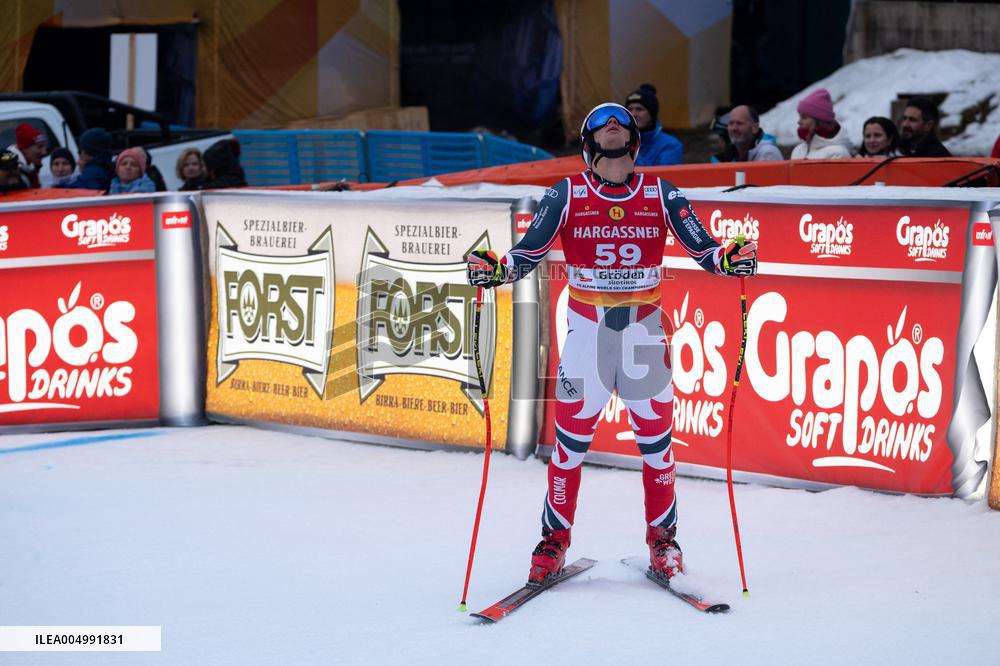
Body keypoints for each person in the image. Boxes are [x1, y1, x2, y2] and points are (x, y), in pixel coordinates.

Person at [465, 103, 757, 585]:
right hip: (586, 332)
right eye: (601, 123)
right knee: (569, 446)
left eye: (621, 120)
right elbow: (528, 251)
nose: (613, 125)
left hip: (643, 332)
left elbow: (704, 248)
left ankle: (663, 541)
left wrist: (730, 258)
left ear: (635, 140)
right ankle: (554, 541)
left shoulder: (662, 193)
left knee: (657, 446)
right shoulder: (566, 192)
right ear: (588, 142)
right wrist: (495, 269)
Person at [625, 84, 683, 166]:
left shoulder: (670, 145)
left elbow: (663, 177)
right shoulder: (621, 140)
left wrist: (629, 151)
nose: (633, 114)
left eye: (639, 109)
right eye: (629, 109)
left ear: (652, 113)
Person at [790, 88, 853, 159]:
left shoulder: (837, 153)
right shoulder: (798, 151)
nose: (799, 122)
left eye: (804, 117)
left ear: (820, 121)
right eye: (799, 117)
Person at [712, 105, 782, 162]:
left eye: (739, 123)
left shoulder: (768, 153)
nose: (734, 128)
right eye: (731, 123)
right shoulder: (731, 155)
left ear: (754, 128)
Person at [7, 123, 48, 188]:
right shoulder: (13, 174)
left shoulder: (29, 169)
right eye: (40, 147)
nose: (44, 152)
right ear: (25, 149)